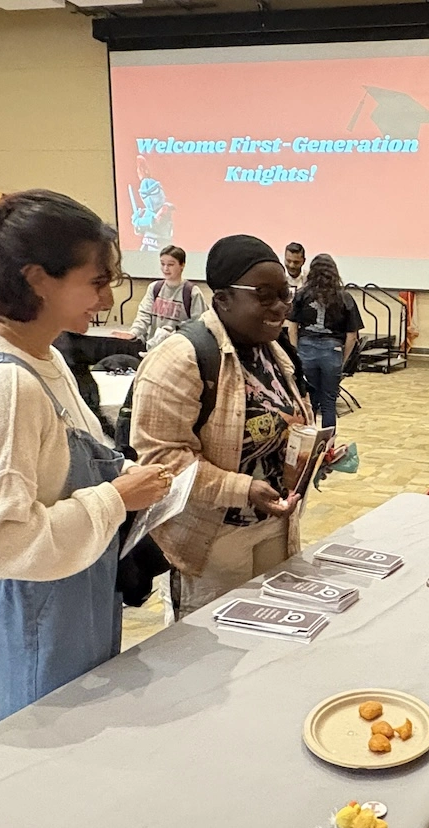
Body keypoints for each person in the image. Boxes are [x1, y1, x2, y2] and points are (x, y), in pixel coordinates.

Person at [0, 190, 172, 726]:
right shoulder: (4, 384)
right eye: (96, 282)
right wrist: (114, 497)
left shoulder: (46, 360)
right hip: (36, 616)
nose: (105, 300)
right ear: (36, 279)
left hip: (77, 597)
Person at [131, 234, 314, 617]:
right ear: (222, 299)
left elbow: (284, 423)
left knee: (269, 644)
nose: (280, 307)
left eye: (285, 295)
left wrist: (311, 455)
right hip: (210, 537)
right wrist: (242, 489)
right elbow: (162, 460)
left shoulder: (274, 352)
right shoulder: (182, 358)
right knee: (210, 660)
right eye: (264, 295)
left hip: (274, 527)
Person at [288, 253, 363, 430]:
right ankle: (328, 447)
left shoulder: (301, 295)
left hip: (306, 351)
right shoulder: (345, 297)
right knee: (328, 404)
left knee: (309, 403)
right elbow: (352, 335)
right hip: (332, 352)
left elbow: (292, 328)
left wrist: (296, 354)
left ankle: (308, 444)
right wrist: (342, 360)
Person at [113, 244, 206, 349]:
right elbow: (144, 314)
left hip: (179, 350)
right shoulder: (154, 288)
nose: (165, 268)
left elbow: (198, 325)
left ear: (182, 265)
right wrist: (134, 332)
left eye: (170, 264)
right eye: (162, 264)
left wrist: (174, 333)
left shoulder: (192, 292)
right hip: (153, 349)